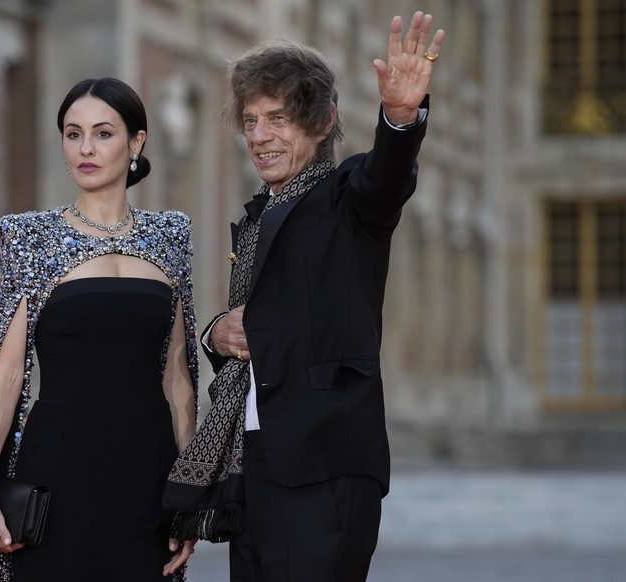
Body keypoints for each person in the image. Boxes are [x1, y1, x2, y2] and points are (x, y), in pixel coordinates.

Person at [163, 11, 446, 582]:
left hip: (325, 463)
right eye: (251, 121)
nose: (261, 136)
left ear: (323, 124)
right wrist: (217, 331)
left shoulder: (347, 201)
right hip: (252, 461)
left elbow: (386, 178)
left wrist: (399, 119)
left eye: (279, 119)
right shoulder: (257, 216)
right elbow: (268, 320)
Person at [0, 77, 199, 582]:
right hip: (57, 467)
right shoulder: (30, 236)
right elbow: (5, 374)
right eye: (73, 134)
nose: (86, 148)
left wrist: (189, 490)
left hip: (146, 472)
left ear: (137, 142)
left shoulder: (171, 236)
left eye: (103, 133)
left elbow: (179, 378)